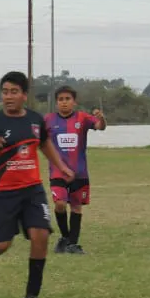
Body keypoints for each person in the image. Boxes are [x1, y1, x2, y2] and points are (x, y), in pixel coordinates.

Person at [0, 71, 75, 298]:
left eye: (13, 92)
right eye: (5, 92)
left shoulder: (35, 120)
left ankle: (32, 295)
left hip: (32, 190)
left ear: (24, 95)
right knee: (0, 246)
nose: (8, 97)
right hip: (2, 192)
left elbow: (44, 143)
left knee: (41, 235)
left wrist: (61, 166)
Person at [45, 86, 106, 254]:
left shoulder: (83, 118)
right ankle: (65, 237)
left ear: (74, 102)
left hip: (79, 172)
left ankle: (72, 244)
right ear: (56, 103)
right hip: (58, 172)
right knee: (60, 204)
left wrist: (102, 119)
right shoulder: (48, 120)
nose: (64, 102)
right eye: (61, 99)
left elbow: (100, 126)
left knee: (76, 207)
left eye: (67, 99)